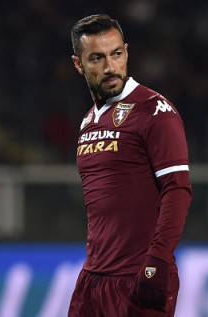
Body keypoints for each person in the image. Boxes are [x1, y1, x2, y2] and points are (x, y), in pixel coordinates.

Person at [68, 14, 192, 316]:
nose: (110, 67)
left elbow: (177, 191)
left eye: (116, 54)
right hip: (94, 279)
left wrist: (157, 262)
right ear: (78, 64)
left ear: (127, 53)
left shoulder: (154, 111)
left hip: (137, 277)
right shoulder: (89, 120)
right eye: (97, 58)